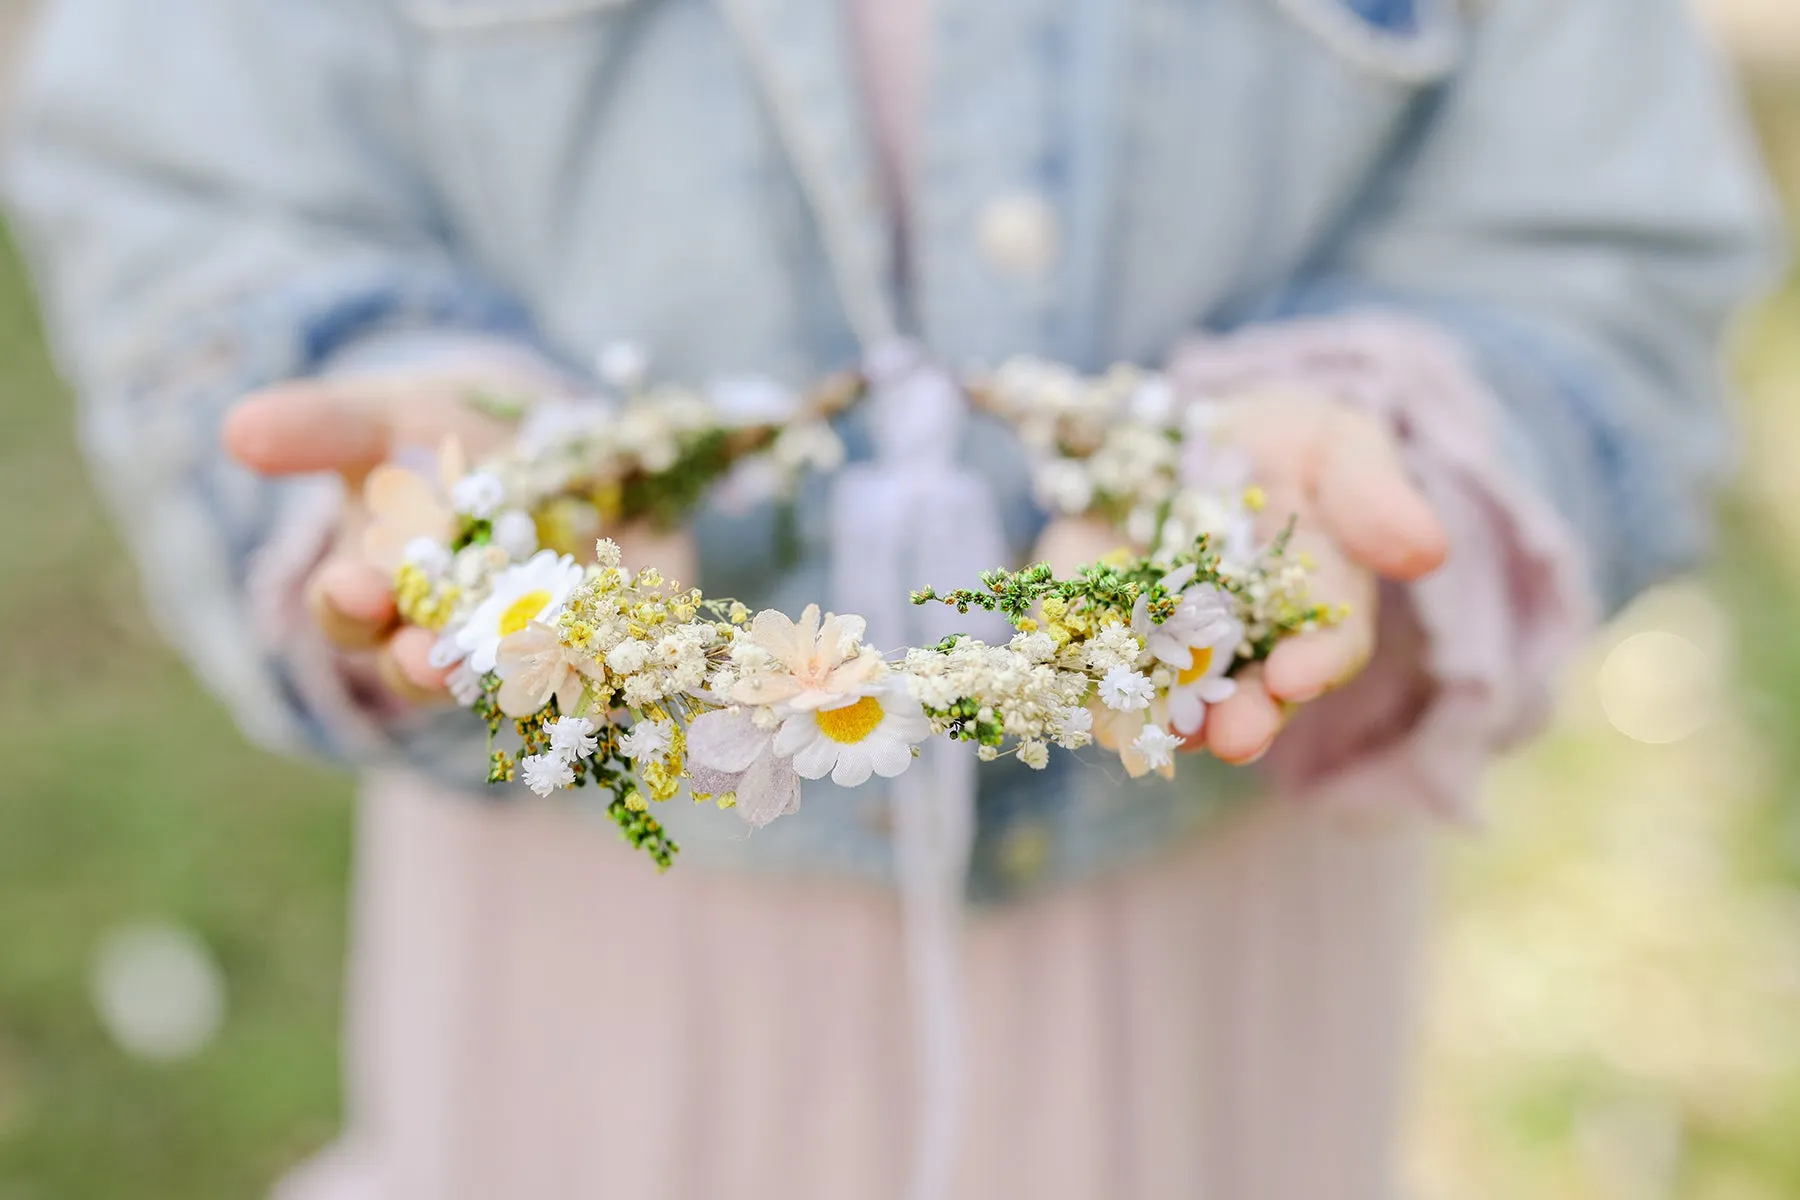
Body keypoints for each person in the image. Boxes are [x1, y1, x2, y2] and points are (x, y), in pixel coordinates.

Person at [3, 0, 1780, 1196]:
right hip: (603, 1006)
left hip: (1196, 999)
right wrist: (417, 458)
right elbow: (195, 166)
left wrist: (1389, 455)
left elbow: (1588, 240)